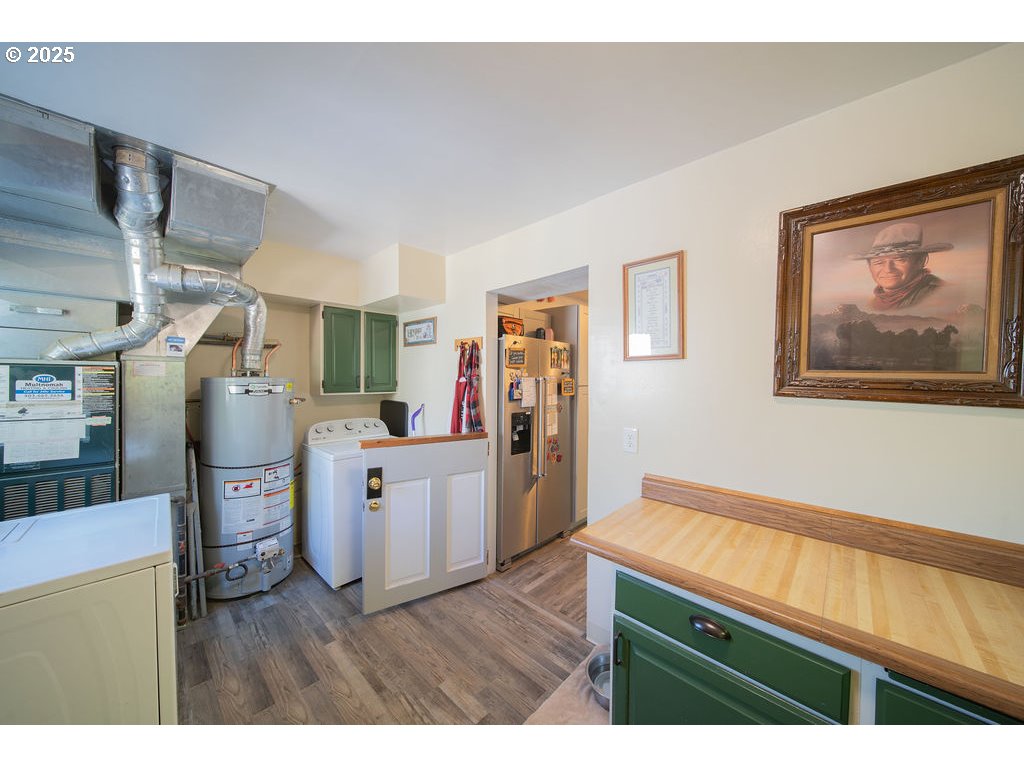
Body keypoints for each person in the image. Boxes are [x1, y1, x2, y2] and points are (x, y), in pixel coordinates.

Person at [851, 221, 953, 311]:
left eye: (899, 259)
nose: (888, 269)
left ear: (920, 261)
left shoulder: (939, 294)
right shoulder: (875, 302)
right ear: (869, 266)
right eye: (878, 262)